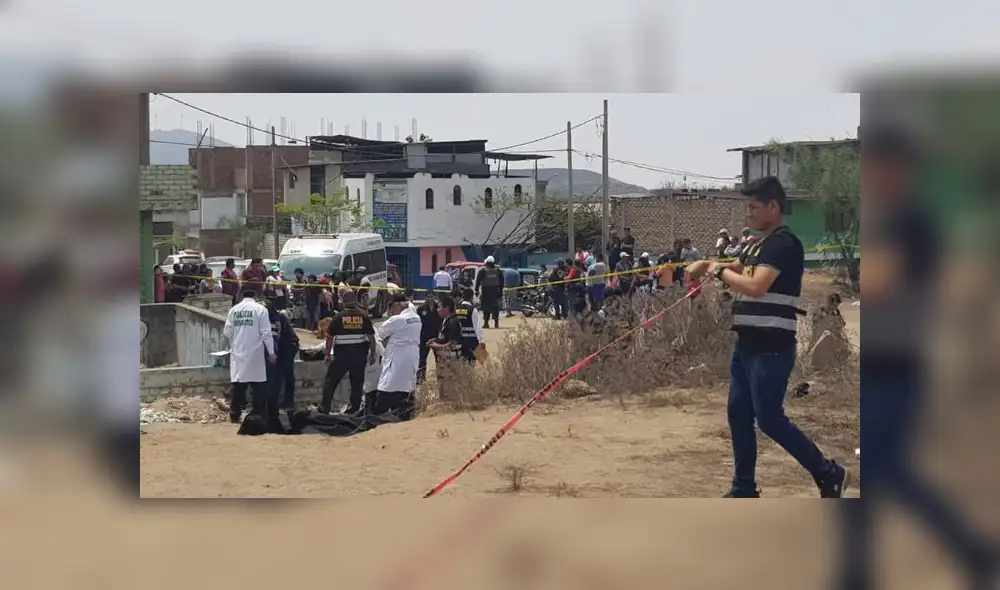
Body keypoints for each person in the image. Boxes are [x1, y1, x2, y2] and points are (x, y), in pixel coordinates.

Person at [837, 125, 998, 589]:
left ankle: (970, 548)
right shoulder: (887, 220)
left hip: (900, 366)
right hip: (880, 364)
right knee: (879, 473)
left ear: (899, 168)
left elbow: (882, 283)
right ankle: (858, 569)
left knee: (886, 472)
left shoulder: (913, 221)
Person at [685, 175, 848, 498]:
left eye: (753, 207)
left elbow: (756, 286)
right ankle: (743, 488)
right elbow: (739, 268)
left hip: (772, 348)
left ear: (773, 206)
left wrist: (717, 270)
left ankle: (828, 473)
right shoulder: (756, 245)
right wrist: (708, 263)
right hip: (746, 346)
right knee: (739, 415)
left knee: (770, 419)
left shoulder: (783, 244)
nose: (749, 213)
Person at [224, 289, 278, 428]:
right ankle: (257, 413)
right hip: (255, 353)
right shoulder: (260, 310)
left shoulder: (234, 310)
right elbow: (266, 333)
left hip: (238, 353)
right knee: (258, 386)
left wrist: (234, 343)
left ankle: (234, 415)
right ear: (255, 296)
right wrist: (271, 353)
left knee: (239, 386)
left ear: (242, 296)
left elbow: (227, 332)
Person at [321, 289, 376, 415]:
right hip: (359, 356)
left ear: (343, 302)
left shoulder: (338, 318)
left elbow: (329, 338)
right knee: (357, 384)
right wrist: (373, 353)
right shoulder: (364, 316)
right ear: (355, 301)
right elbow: (371, 337)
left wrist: (327, 354)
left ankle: (325, 409)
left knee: (331, 381)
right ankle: (354, 410)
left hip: (342, 356)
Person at [374, 293, 423, 419]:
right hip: (411, 358)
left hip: (396, 359)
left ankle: (377, 419)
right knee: (406, 389)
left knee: (386, 390)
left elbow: (381, 334)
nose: (390, 311)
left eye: (390, 307)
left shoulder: (396, 320)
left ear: (397, 305)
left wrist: (391, 317)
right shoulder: (416, 318)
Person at [266, 300, 300, 411]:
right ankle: (284, 401)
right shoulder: (274, 315)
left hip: (289, 346)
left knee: (281, 373)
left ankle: (283, 402)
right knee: (286, 373)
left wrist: (272, 353)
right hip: (288, 344)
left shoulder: (275, 318)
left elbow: (276, 336)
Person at [416, 290, 442, 383]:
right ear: (425, 297)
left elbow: (442, 321)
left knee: (439, 359)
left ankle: (440, 378)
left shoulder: (439, 308)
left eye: (432, 296)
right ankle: (421, 378)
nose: (430, 298)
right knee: (422, 359)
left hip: (436, 337)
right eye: (428, 296)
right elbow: (418, 324)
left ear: (434, 297)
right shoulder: (421, 309)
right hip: (424, 337)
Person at [475, 256, 504, 328]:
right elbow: (502, 282)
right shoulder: (498, 271)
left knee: (486, 307)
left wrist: (476, 290)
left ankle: (486, 323)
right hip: (495, 291)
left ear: (487, 262)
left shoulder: (482, 271)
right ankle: (496, 323)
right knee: (495, 307)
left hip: (486, 291)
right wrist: (500, 291)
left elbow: (478, 282)